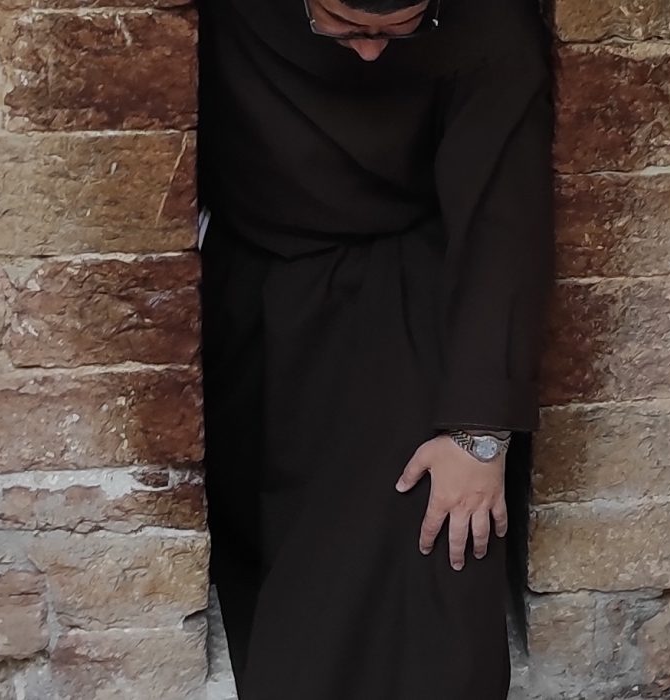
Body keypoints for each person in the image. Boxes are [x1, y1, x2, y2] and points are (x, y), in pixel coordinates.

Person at [195, 0, 554, 696]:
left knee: (436, 527)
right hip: (259, 291)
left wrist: (480, 434)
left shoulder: (487, 27)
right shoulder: (233, 14)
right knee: (283, 538)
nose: (368, 52)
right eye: (342, 26)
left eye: (400, 30)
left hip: (409, 290)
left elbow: (503, 225)